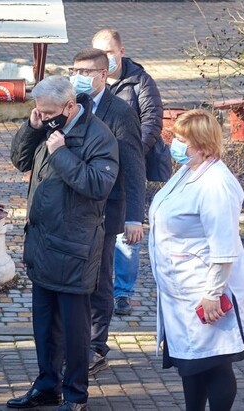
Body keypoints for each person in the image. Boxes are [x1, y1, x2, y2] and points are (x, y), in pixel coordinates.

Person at [7, 76, 118, 411]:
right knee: (44, 327)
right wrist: (31, 128)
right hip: (43, 245)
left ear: (70, 106)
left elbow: (98, 185)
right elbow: (20, 160)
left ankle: (75, 394)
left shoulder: (99, 136)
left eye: (48, 112)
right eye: (39, 111)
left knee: (74, 331)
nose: (44, 117)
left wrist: (60, 153)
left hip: (75, 249)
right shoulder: (45, 126)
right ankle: (47, 386)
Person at [149, 109, 244, 411]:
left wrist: (213, 293)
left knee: (214, 363)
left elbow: (223, 246)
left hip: (205, 288)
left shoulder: (216, 183)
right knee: (191, 363)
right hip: (181, 287)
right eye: (175, 137)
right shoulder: (188, 170)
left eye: (182, 140)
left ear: (202, 145)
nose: (175, 144)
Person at [68, 48, 145, 376]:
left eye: (86, 72)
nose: (79, 77)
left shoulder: (120, 111)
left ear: (103, 74)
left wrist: (134, 216)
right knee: (76, 278)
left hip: (107, 209)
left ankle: (97, 346)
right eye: (75, 70)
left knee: (99, 279)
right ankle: (76, 341)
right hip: (74, 208)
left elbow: (134, 165)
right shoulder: (71, 104)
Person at [92, 28, 166, 316]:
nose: (105, 58)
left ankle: (123, 292)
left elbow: (152, 120)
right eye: (100, 53)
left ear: (121, 52)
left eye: (109, 52)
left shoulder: (140, 82)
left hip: (127, 169)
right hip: (96, 169)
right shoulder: (90, 83)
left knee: (126, 234)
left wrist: (130, 152)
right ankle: (98, 285)